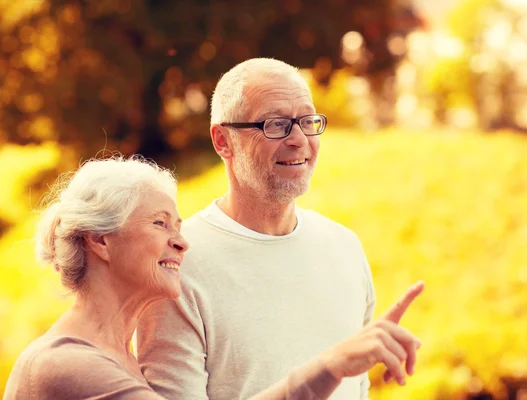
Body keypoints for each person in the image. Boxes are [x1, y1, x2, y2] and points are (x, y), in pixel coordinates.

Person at [3, 156, 423, 400]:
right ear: (100, 241)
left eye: (179, 226)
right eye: (160, 224)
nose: (182, 243)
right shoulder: (68, 365)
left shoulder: (119, 358)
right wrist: (330, 365)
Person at [136, 58, 423, 400]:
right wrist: (329, 366)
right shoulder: (176, 262)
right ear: (223, 141)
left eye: (306, 121)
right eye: (276, 125)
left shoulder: (344, 247)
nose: (299, 140)